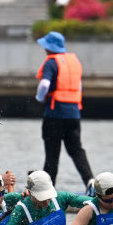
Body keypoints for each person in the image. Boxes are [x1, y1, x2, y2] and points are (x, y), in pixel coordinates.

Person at [35, 31, 94, 190]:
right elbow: (79, 86)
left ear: (49, 47)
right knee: (76, 150)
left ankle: (47, 189)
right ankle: (90, 182)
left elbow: (45, 84)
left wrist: (39, 98)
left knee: (52, 154)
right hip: (74, 114)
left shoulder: (51, 62)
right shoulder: (74, 62)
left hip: (54, 114)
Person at [3, 171, 91, 225]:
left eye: (48, 197)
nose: (46, 203)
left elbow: (93, 202)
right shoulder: (21, 209)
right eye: (42, 199)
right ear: (31, 193)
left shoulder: (60, 198)